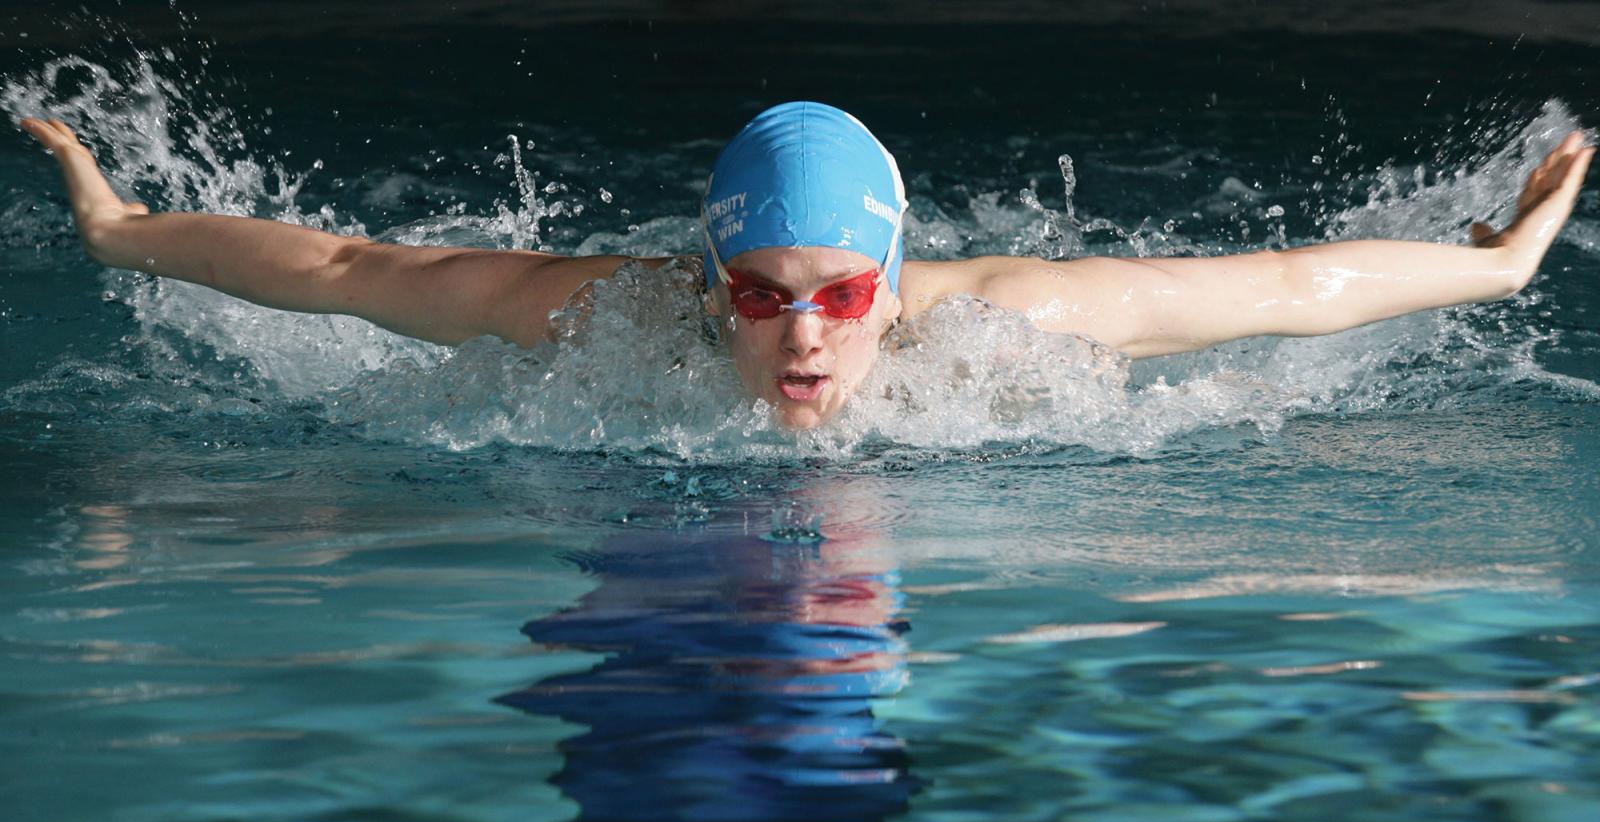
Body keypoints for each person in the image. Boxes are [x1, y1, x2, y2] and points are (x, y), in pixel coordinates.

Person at [17, 101, 1594, 430]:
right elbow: (356, 268)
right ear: (709, 285)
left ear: (894, 287)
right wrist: (118, 228)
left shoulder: (1005, 330)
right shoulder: (605, 315)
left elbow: (1274, 285)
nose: (805, 334)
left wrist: (1505, 266)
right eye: (763, 292)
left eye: (842, 292)